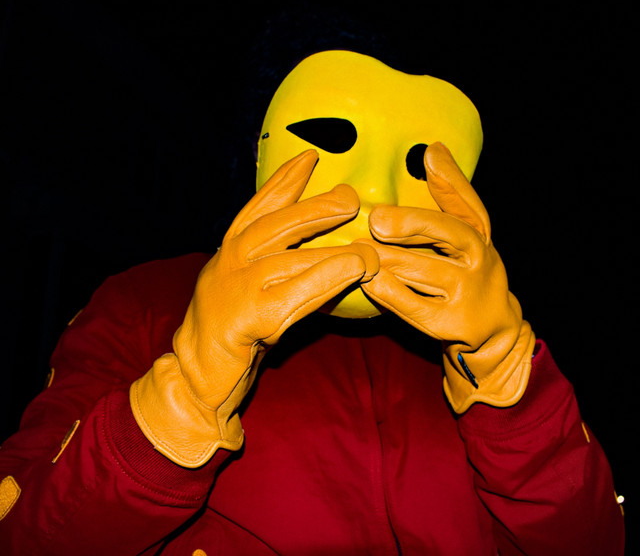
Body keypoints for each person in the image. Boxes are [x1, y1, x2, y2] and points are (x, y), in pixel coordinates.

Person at [0, 49, 625, 555]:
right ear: (257, 145)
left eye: (418, 160)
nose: (376, 189)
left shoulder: (465, 326)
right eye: (330, 134)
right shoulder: (144, 303)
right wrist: (183, 399)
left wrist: (506, 377)